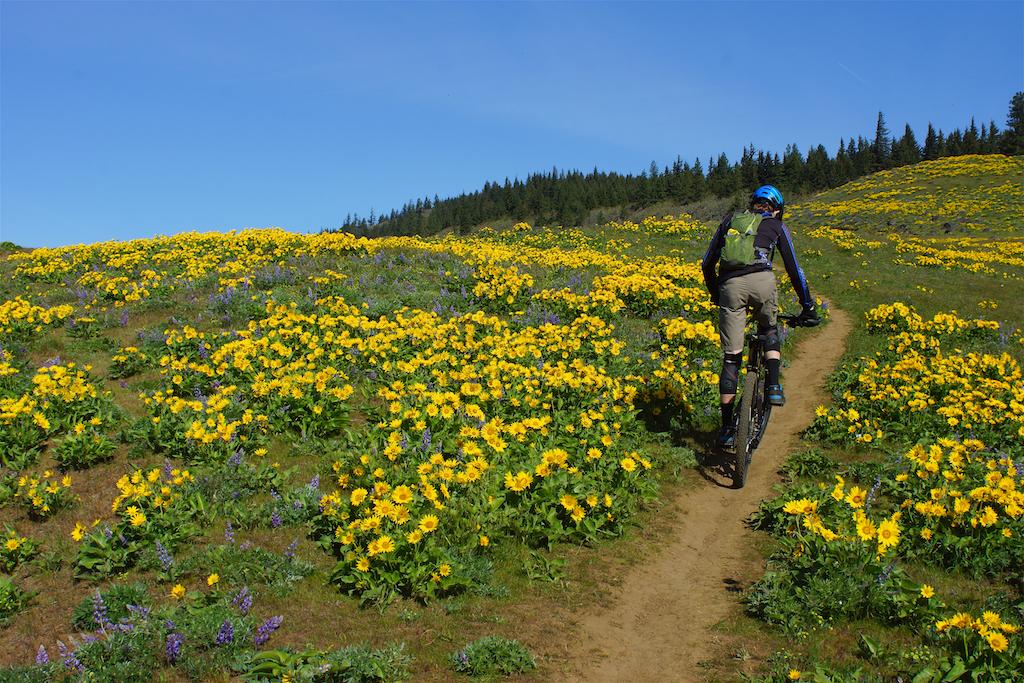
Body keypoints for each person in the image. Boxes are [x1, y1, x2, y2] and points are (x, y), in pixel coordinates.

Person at [701, 184, 819, 448]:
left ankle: (727, 428)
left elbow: (707, 262)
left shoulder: (731, 220)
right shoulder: (776, 226)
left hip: (730, 286)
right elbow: (794, 268)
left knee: (731, 358)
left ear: (753, 204)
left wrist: (716, 293)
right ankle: (774, 386)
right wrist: (808, 305)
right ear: (777, 209)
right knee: (769, 329)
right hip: (762, 283)